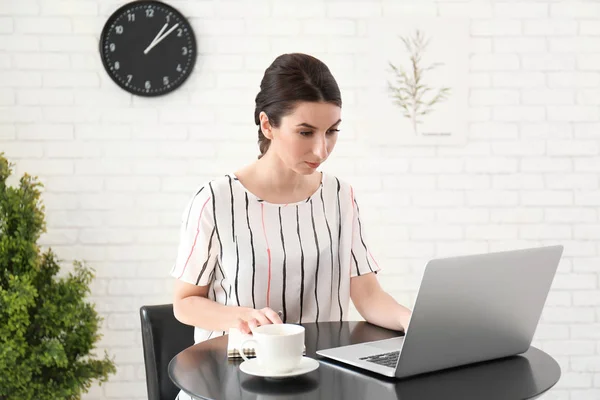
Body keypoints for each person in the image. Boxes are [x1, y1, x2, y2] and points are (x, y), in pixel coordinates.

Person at [170, 53, 412, 399]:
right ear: (267, 125)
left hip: (318, 381)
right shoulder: (216, 200)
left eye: (332, 132)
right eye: (305, 132)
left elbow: (368, 295)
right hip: (231, 382)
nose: (321, 148)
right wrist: (243, 317)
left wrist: (412, 321)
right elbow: (184, 303)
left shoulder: (340, 196)